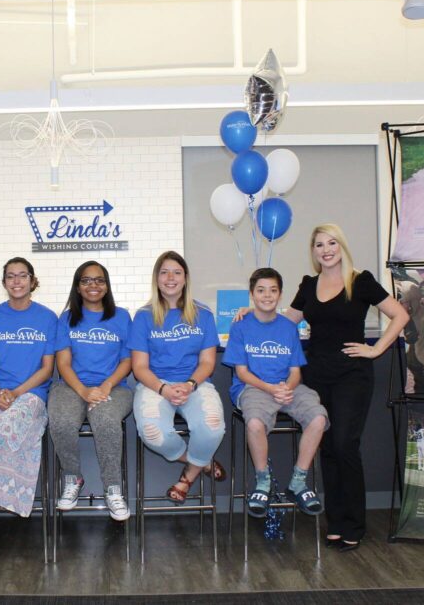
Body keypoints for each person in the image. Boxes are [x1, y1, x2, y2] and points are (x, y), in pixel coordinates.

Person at [284, 224, 408, 551]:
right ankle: (335, 521)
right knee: (326, 447)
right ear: (313, 251)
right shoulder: (309, 286)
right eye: (319, 245)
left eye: (332, 243)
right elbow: (284, 322)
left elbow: (399, 315)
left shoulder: (360, 280)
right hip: (316, 376)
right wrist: (249, 313)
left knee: (344, 444)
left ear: (342, 245)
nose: (326, 249)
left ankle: (354, 523)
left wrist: (376, 348)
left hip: (352, 375)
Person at [223, 267, 327, 519]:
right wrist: (271, 389)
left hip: (286, 387)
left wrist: (287, 389)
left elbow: (295, 372)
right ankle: (262, 482)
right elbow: (242, 372)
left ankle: (298, 482)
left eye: (273, 290)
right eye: (261, 290)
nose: (267, 296)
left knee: (318, 418)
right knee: (256, 423)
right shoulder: (240, 326)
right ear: (251, 294)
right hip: (253, 387)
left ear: (280, 294)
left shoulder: (288, 327)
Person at [130, 251, 225, 504]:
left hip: (195, 383)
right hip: (155, 385)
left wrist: (190, 384)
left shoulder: (203, 314)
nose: (170, 278)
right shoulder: (143, 315)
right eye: (164, 272)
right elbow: (139, 367)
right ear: (156, 278)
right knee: (152, 433)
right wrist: (163, 389)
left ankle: (186, 479)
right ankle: (200, 462)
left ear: (185, 278)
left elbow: (207, 362)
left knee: (213, 428)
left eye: (176, 272)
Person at [0, 257, 58, 517]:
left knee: (14, 422)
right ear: (3, 282)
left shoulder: (47, 317)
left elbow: (47, 369)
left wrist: (17, 394)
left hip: (32, 395)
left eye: (23, 275)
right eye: (11, 276)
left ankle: (15, 495)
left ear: (32, 281)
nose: (17, 281)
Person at [50, 261, 133, 521]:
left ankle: (112, 488)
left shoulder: (121, 316)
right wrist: (85, 392)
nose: (93, 285)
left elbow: (127, 360)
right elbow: (62, 364)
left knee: (106, 421)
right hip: (73, 386)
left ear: (107, 286)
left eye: (99, 280)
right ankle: (73, 478)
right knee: (61, 421)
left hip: (115, 387)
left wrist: (106, 386)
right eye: (86, 280)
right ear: (77, 286)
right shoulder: (66, 319)